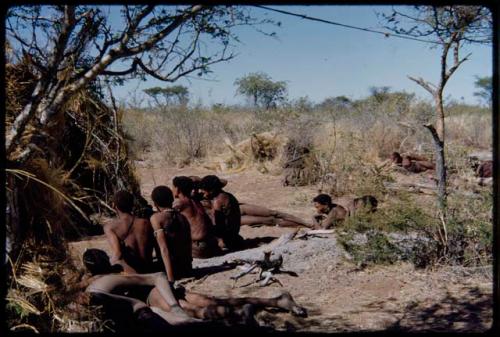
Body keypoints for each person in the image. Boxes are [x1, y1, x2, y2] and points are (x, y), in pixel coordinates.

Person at [77, 249, 307, 329]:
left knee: (199, 311)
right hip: (161, 293)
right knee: (213, 303)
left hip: (154, 297)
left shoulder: (102, 280)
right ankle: (275, 302)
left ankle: (248, 315)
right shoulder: (115, 271)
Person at [190, 176, 310, 228]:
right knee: (270, 221)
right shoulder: (193, 200)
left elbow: (223, 181)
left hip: (238, 208)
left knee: (272, 212)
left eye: (196, 186)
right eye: (192, 187)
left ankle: (306, 223)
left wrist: (200, 181)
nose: (196, 189)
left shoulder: (207, 188)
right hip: (231, 218)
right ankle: (301, 226)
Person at [103, 190, 154, 273]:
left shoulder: (110, 227)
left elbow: (117, 254)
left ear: (114, 205)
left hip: (133, 274)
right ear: (132, 204)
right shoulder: (146, 222)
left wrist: (107, 267)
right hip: (149, 269)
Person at [150, 186, 193, 282]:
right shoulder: (182, 217)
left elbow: (164, 249)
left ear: (155, 203)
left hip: (172, 270)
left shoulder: (156, 218)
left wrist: (170, 278)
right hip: (187, 268)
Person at [172, 176, 221, 259]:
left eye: (172, 187)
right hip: (212, 244)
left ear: (177, 189)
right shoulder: (195, 201)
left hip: (199, 248)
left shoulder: (180, 203)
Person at [198, 175, 244, 251]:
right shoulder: (229, 195)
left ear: (211, 191)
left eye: (204, 191)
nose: (203, 194)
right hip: (234, 234)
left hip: (226, 239)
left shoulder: (217, 202)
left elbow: (219, 224)